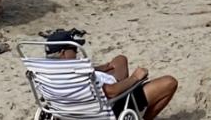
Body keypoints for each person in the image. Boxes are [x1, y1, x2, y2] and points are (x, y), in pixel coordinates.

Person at [46, 30, 178, 120]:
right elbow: (111, 92)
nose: (76, 53)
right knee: (169, 82)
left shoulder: (44, 73)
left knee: (120, 60)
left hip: (69, 111)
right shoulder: (77, 74)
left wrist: (96, 69)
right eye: (74, 50)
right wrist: (136, 77)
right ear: (63, 53)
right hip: (105, 109)